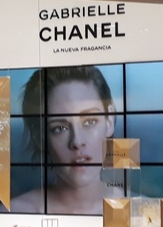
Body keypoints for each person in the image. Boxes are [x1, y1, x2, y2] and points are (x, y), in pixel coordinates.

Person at [8, 65, 116, 215]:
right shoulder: (15, 214)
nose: (77, 141)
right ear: (40, 137)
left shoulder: (140, 211)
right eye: (59, 128)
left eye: (90, 121)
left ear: (109, 121)